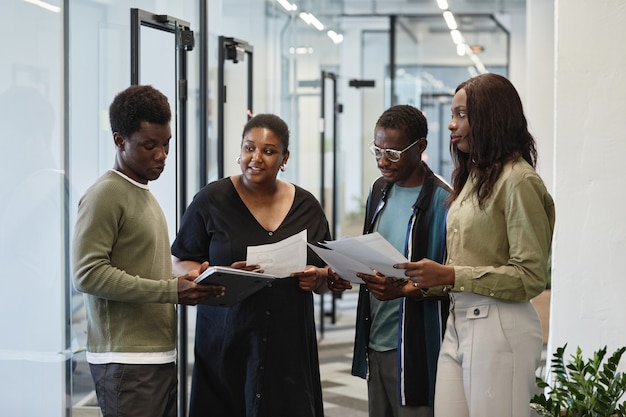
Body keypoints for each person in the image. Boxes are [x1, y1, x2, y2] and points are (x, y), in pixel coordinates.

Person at [397, 73, 556, 417]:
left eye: (462, 115)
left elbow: (529, 276)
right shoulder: (474, 177)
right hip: (459, 318)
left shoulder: (519, 181)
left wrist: (451, 275)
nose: (452, 125)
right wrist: (422, 284)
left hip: (501, 325)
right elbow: (469, 261)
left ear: (491, 116)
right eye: (453, 115)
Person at [72, 85, 222, 417]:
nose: (162, 155)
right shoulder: (105, 195)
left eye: (166, 144)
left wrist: (188, 275)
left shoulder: (143, 194)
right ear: (119, 141)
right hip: (126, 360)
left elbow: (143, 267)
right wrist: (170, 290)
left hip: (156, 354)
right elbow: (87, 274)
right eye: (149, 146)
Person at [170, 113, 332, 417]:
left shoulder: (306, 206)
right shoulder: (211, 199)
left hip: (288, 343)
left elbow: (327, 273)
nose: (256, 158)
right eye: (249, 148)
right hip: (225, 340)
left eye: (269, 151)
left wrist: (318, 276)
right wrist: (203, 273)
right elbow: (180, 259)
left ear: (285, 157)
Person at [328, 104, 451, 417]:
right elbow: (376, 252)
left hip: (416, 345)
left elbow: (452, 279)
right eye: (377, 150)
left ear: (420, 147)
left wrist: (404, 289)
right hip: (376, 338)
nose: (383, 161)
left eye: (393, 153)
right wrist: (346, 269)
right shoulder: (379, 190)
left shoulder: (444, 201)